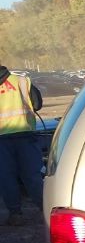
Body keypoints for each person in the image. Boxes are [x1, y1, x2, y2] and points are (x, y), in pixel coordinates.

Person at [0, 65, 43, 225]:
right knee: (32, 175)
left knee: (6, 178)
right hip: (25, 135)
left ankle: (15, 214)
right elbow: (37, 104)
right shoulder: (22, 81)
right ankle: (44, 209)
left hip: (1, 141)